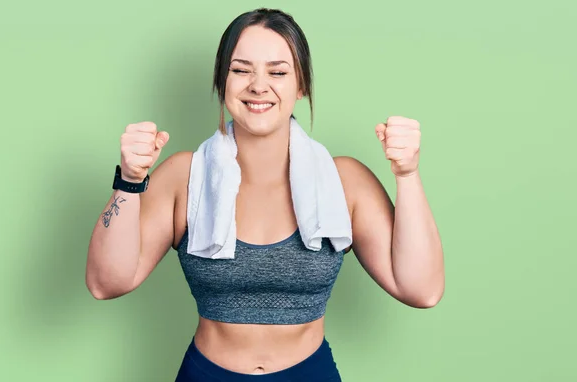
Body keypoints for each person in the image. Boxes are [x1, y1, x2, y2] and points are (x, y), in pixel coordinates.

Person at [85, 8, 444, 382]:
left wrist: (408, 174)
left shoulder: (345, 182)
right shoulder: (184, 176)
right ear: (222, 80)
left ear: (301, 84)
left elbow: (422, 289)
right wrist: (129, 180)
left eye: (278, 72)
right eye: (241, 70)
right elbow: (106, 282)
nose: (259, 86)